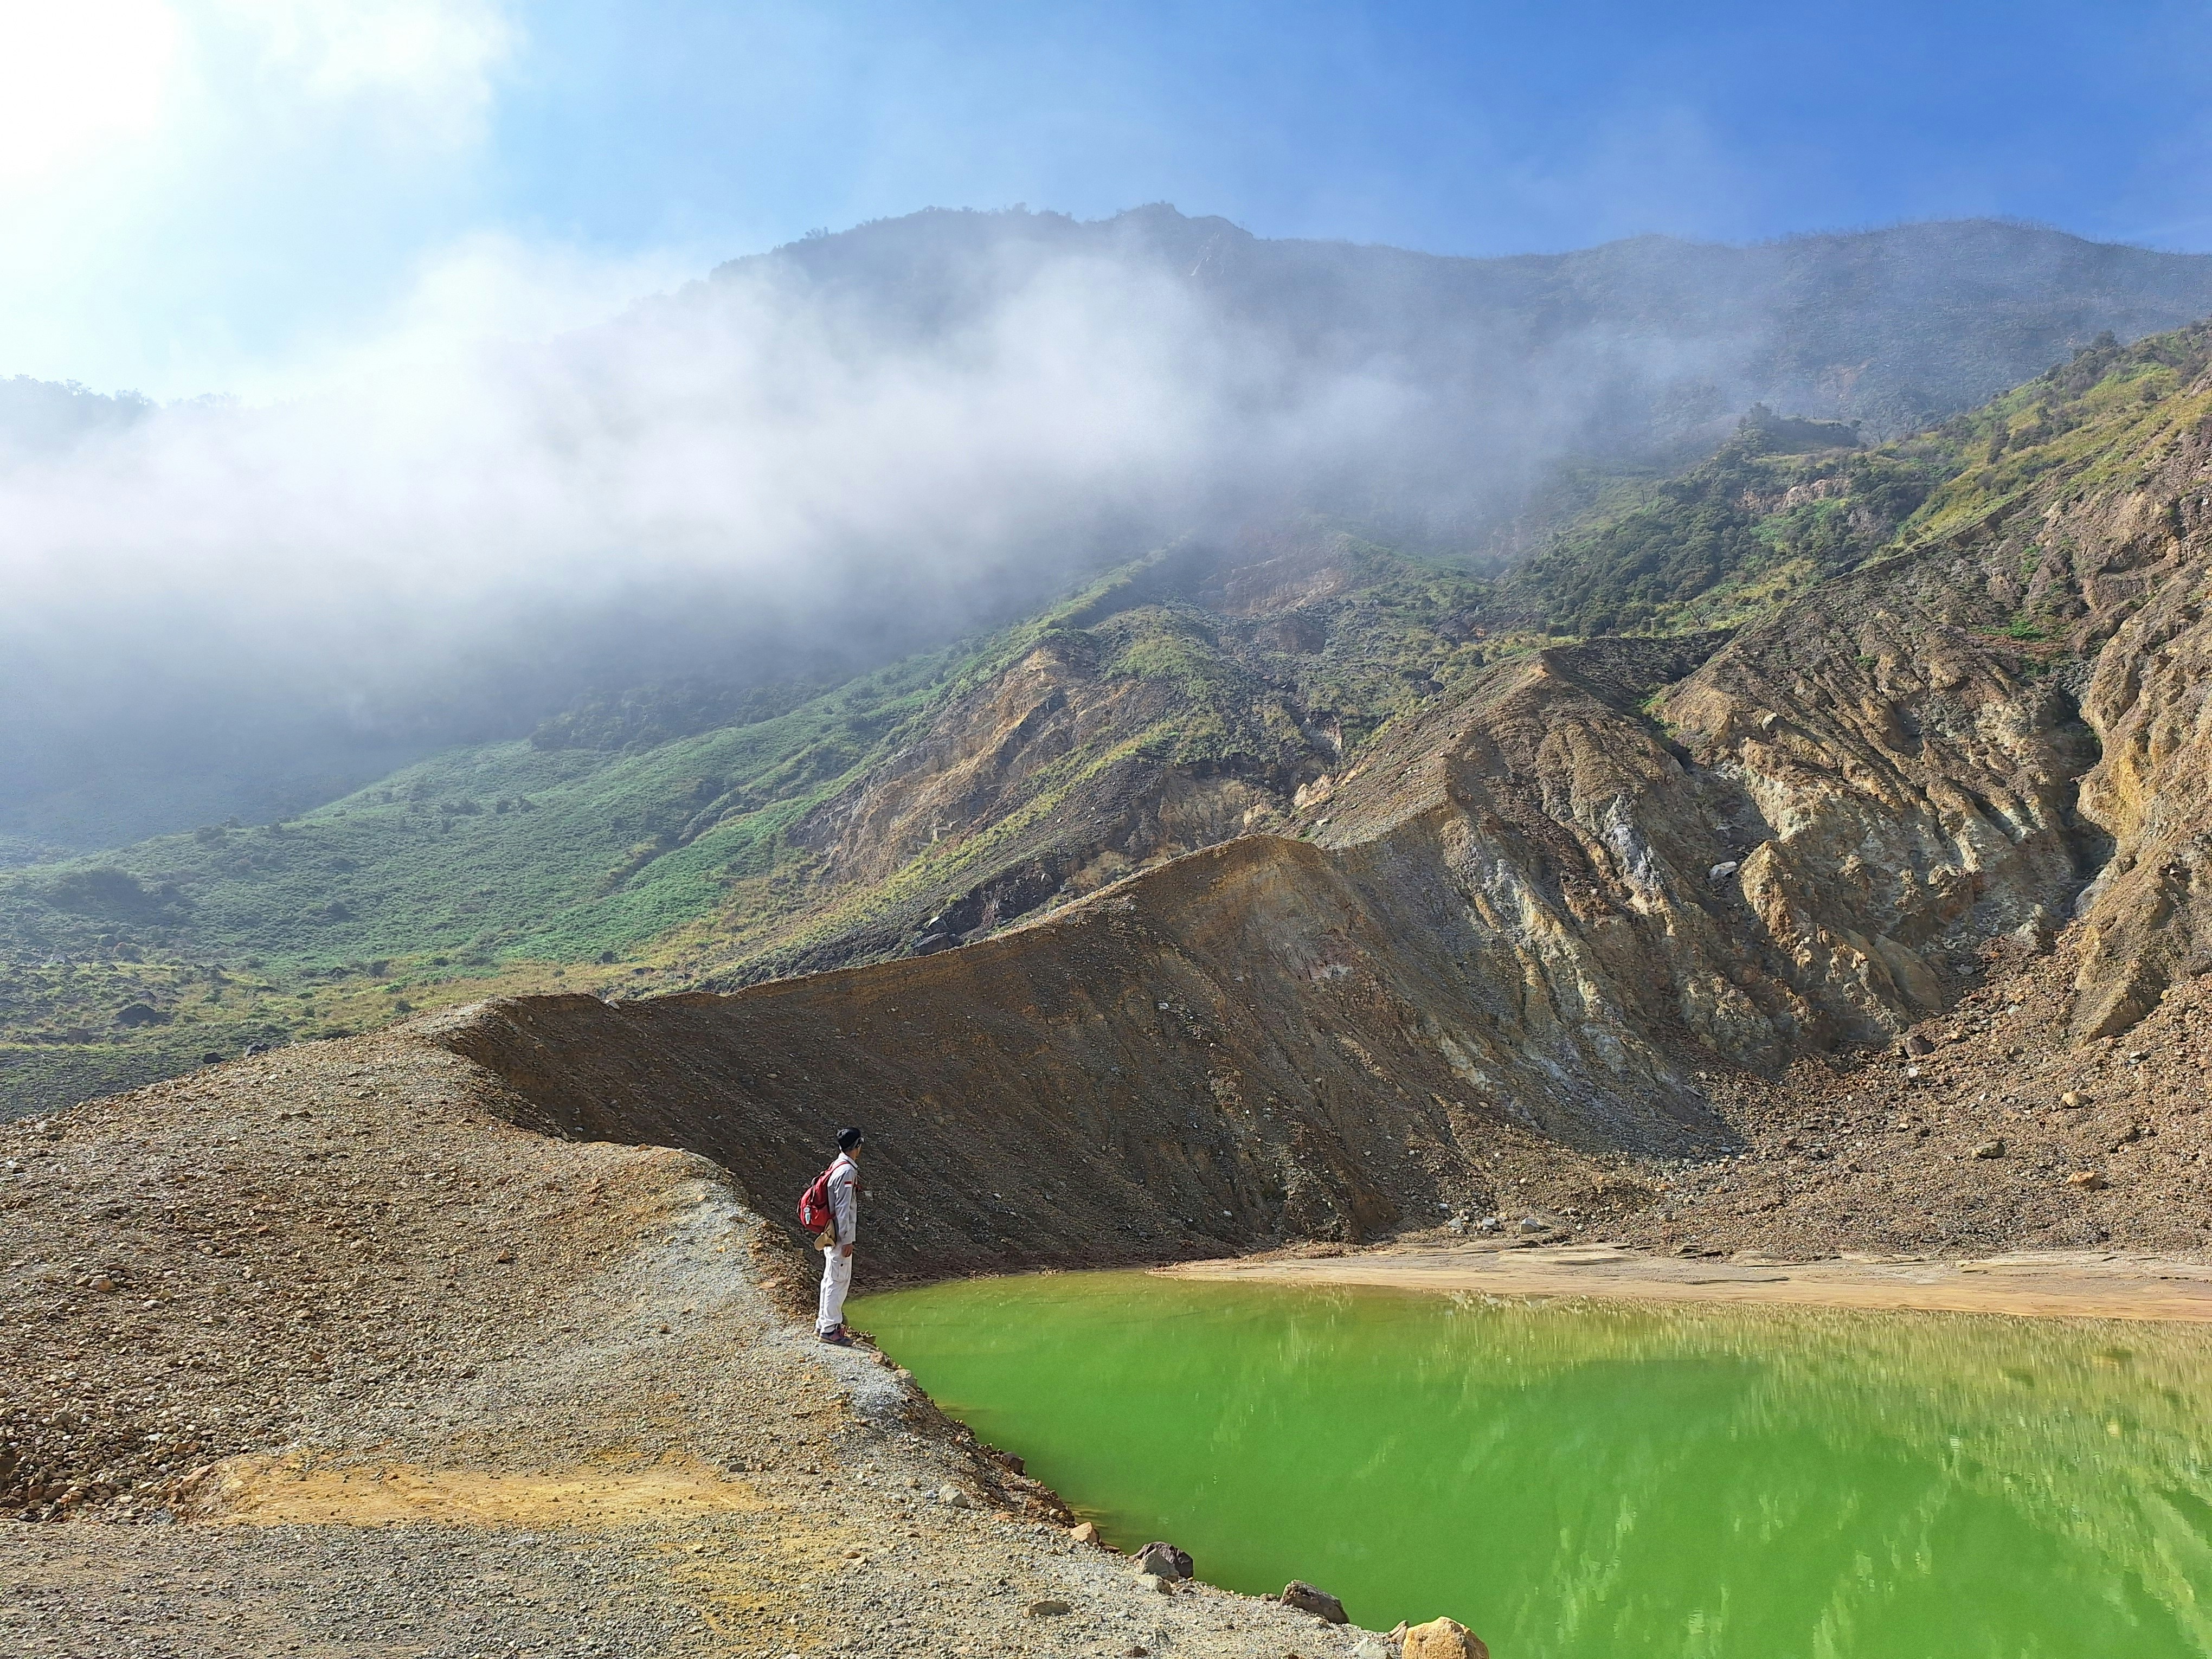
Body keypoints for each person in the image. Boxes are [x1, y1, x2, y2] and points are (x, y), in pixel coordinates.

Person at [817, 1127, 864, 1345]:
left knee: (830, 1279)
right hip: (839, 1235)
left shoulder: (837, 1165)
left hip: (830, 1231)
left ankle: (824, 1322)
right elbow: (844, 1209)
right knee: (838, 1281)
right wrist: (848, 1240)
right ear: (857, 1147)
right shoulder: (847, 1172)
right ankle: (830, 1330)